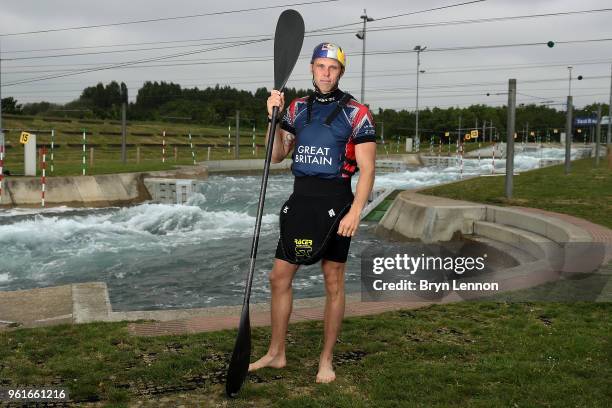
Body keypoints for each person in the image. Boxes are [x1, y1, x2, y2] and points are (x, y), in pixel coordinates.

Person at [248, 42, 376, 383]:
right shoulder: (296, 109)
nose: (326, 73)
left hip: (336, 203)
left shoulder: (357, 112)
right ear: (312, 68)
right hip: (301, 201)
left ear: (340, 72)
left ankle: (326, 360)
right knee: (279, 277)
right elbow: (275, 155)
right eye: (321, 66)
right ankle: (277, 353)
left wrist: (356, 212)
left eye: (332, 68)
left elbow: (368, 169)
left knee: (333, 280)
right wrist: (272, 119)